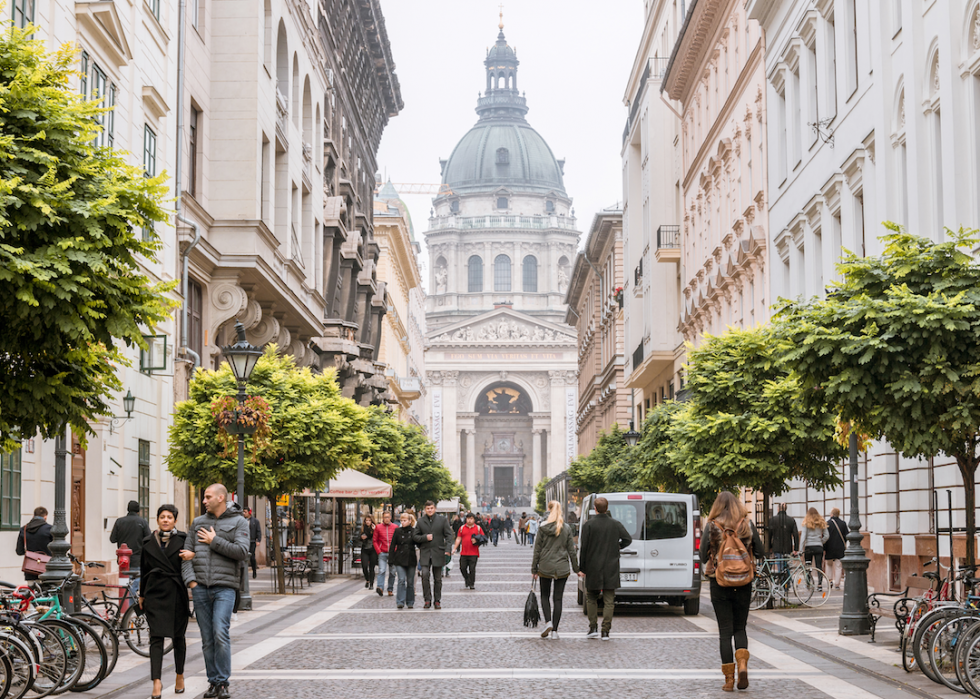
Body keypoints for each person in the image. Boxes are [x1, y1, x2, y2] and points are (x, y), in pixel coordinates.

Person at [183, 484, 249, 699]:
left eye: (207, 497)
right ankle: (213, 682)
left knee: (220, 632)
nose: (204, 500)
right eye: (204, 497)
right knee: (207, 638)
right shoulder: (198, 523)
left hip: (225, 588)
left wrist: (214, 541)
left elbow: (241, 552)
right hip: (200, 588)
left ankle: (222, 682)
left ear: (221, 497)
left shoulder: (239, 522)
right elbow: (186, 554)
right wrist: (191, 582)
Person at [700, 491, 764, 692]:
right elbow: (761, 552)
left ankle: (729, 680)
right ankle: (743, 664)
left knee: (725, 632)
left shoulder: (712, 526)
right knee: (740, 627)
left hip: (719, 583)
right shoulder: (747, 524)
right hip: (744, 582)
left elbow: (702, 556)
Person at [140, 504, 195, 699]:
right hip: (154, 593)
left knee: (178, 637)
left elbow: (190, 563)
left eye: (169, 517)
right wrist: (141, 595)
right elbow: (143, 570)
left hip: (176, 593)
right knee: (156, 638)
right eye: (162, 517)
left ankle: (179, 675)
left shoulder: (183, 539)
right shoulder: (148, 541)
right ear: (157, 520)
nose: (165, 520)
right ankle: (157, 682)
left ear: (174, 521)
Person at [579, 497, 631, 640]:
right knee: (609, 600)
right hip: (611, 566)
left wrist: (581, 568)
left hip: (593, 566)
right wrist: (618, 547)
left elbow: (584, 548)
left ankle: (593, 627)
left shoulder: (588, 525)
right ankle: (606, 631)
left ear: (594, 508)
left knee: (591, 597)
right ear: (607, 508)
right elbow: (628, 539)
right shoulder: (615, 524)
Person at [532, 501, 580, 640]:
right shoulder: (566, 528)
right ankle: (555, 631)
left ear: (549, 510)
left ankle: (548, 622)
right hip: (562, 567)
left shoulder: (543, 528)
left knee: (545, 596)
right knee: (558, 598)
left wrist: (534, 569)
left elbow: (537, 550)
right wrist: (577, 569)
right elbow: (571, 551)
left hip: (546, 565)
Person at [412, 501, 454, 609]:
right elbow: (415, 536)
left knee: (438, 578)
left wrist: (448, 549)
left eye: (431, 508)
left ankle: (437, 600)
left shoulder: (442, 520)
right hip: (425, 552)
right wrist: (425, 538)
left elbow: (449, 536)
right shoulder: (421, 521)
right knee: (425, 575)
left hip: (438, 552)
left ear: (435, 508)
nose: (430, 510)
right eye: (427, 508)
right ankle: (427, 599)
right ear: (425, 509)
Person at [110, 500, 152, 575]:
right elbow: (149, 540)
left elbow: (112, 539)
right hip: (137, 559)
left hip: (122, 560)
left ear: (128, 509)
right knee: (135, 583)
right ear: (138, 511)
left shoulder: (119, 521)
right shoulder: (142, 522)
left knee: (124, 583)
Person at [16, 506, 52, 581]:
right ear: (45, 517)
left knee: (32, 591)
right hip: (46, 570)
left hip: (30, 570)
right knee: (45, 592)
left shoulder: (24, 529)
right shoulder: (50, 529)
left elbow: (19, 551)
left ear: (33, 516)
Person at [390, 512, 417, 609]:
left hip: (411, 558)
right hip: (400, 558)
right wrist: (391, 559)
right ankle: (400, 601)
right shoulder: (397, 531)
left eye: (405, 520)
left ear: (410, 521)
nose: (403, 522)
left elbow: (418, 542)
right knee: (401, 580)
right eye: (401, 520)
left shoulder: (414, 531)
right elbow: (393, 545)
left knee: (410, 582)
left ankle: (410, 601)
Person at [454, 513, 483, 590]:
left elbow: (483, 538)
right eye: (468, 518)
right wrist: (454, 548)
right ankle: (467, 579)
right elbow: (458, 538)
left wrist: (477, 541)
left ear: (474, 520)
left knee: (472, 569)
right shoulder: (462, 528)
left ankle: (472, 583)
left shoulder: (478, 528)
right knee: (462, 568)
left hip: (474, 553)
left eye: (471, 518)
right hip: (464, 552)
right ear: (466, 519)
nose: (469, 520)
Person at [768, 503, 799, 575]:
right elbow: (796, 534)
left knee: (780, 566)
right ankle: (786, 583)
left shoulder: (773, 520)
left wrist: (770, 546)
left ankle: (781, 582)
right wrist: (796, 548)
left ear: (778, 509)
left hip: (776, 546)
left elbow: (769, 535)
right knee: (787, 566)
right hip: (787, 547)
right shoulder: (791, 520)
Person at [801, 507, 829, 586]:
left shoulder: (806, 523)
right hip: (818, 547)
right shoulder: (821, 522)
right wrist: (821, 542)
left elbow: (803, 537)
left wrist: (800, 549)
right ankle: (819, 584)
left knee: (808, 565)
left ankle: (808, 583)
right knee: (818, 566)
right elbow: (827, 535)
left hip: (808, 547)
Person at [373, 511, 398, 597]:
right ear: (382, 518)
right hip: (382, 552)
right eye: (385, 517)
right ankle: (380, 587)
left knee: (392, 572)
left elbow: (398, 540)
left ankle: (390, 589)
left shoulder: (395, 527)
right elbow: (375, 540)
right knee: (382, 570)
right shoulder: (378, 527)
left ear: (390, 517)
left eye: (388, 517)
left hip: (392, 553)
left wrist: (396, 549)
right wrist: (378, 551)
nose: (386, 519)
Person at [824, 508, 849, 589]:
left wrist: (824, 548)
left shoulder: (827, 523)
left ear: (831, 514)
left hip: (829, 547)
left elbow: (825, 537)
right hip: (840, 548)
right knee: (838, 566)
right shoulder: (843, 523)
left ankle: (829, 581)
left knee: (829, 565)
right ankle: (837, 584)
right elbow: (847, 535)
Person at [359, 514, 377, 589]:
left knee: (372, 567)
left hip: (373, 549)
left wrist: (374, 530)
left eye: (369, 520)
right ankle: (367, 579)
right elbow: (357, 538)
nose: (368, 522)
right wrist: (361, 538)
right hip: (365, 549)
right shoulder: (362, 529)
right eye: (366, 520)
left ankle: (371, 584)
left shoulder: (375, 528)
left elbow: (378, 537)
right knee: (364, 565)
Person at [244, 509, 261, 580]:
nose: (244, 513)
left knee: (252, 556)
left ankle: (254, 571)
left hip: (252, 541)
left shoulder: (255, 521)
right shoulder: (242, 520)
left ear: (249, 513)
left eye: (245, 512)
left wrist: (258, 540)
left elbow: (258, 531)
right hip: (245, 540)